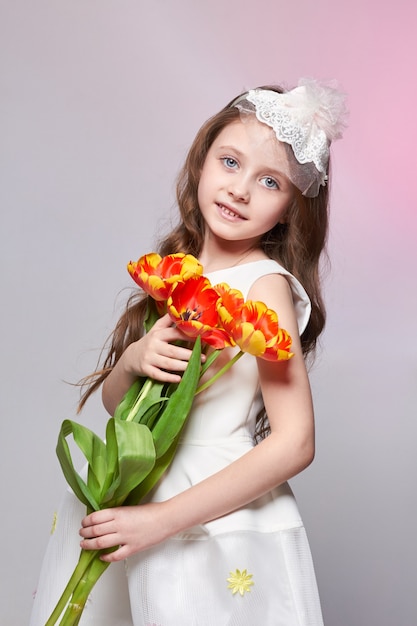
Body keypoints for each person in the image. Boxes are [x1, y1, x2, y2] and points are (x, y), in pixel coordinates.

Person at [30, 78, 347, 625]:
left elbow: (295, 442)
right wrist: (132, 362)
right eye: (230, 162)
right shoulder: (179, 272)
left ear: (291, 209)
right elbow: (119, 409)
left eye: (269, 181)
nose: (240, 189)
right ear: (202, 162)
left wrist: (161, 521)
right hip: (134, 489)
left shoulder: (263, 284)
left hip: (205, 518)